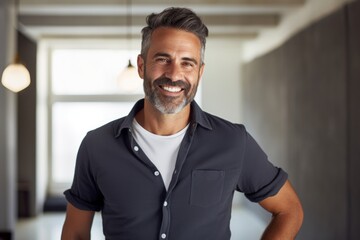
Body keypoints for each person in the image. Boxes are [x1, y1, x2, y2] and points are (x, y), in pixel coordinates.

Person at [61, 7, 303, 240]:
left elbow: (289, 209)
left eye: (187, 62)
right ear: (142, 66)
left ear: (200, 72)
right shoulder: (97, 146)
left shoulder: (233, 142)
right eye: (163, 59)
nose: (174, 74)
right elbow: (75, 233)